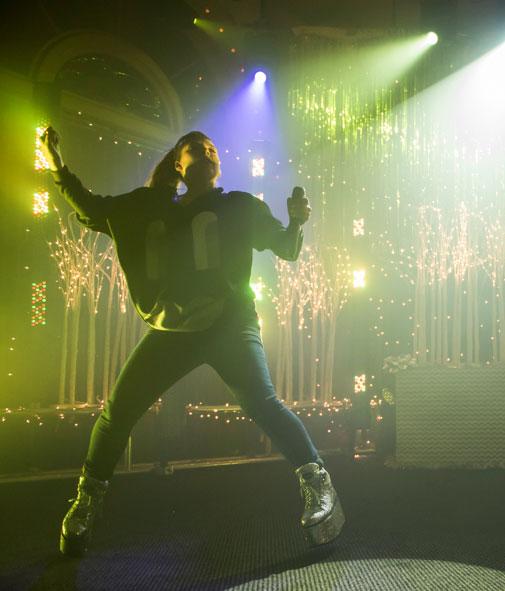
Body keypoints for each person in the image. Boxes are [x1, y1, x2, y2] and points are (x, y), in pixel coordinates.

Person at [40, 127, 346, 555]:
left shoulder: (240, 205)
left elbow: (286, 248)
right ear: (178, 164)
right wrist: (56, 165)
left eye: (211, 149)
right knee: (117, 413)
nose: (205, 151)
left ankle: (319, 486)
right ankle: (86, 501)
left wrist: (296, 222)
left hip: (230, 325)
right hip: (171, 330)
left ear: (216, 165)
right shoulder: (149, 208)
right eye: (194, 148)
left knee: (263, 403)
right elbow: (92, 208)